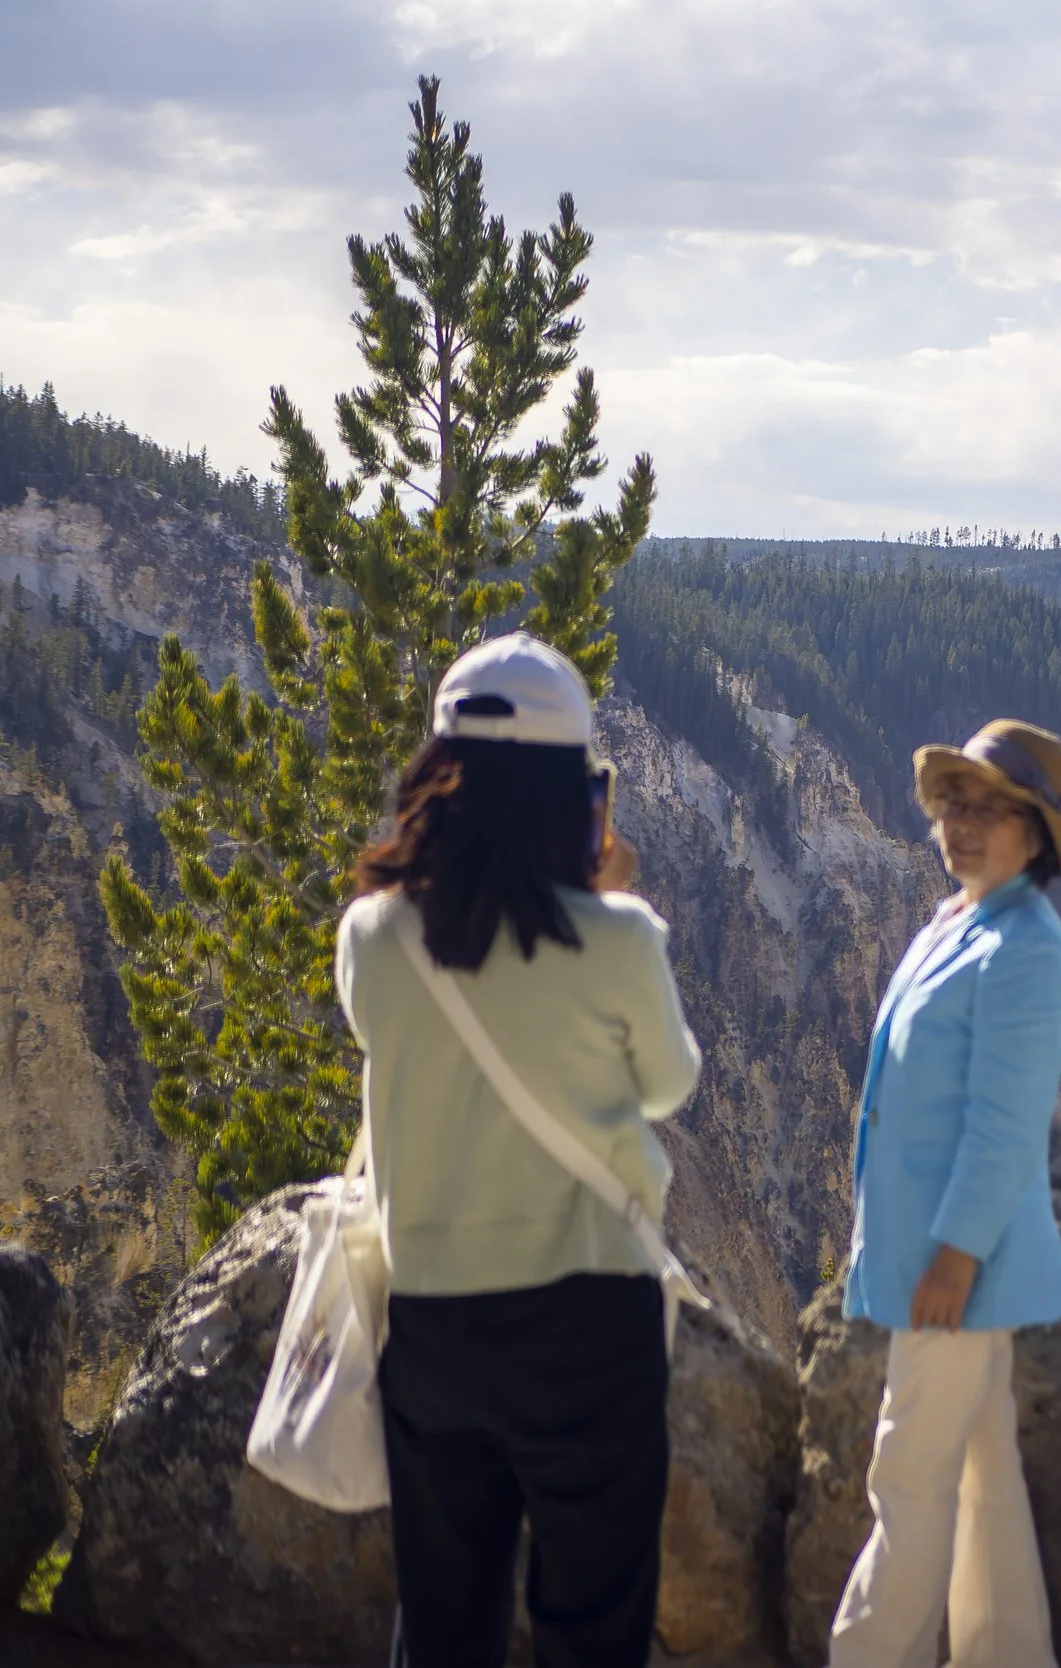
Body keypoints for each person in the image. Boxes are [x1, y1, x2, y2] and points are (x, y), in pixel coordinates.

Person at [338, 633, 702, 1668]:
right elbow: (669, 1083)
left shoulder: (371, 935)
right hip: (590, 1320)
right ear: (572, 796)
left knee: (446, 1623)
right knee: (593, 1626)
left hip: (435, 1321)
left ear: (436, 781)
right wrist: (607, 894)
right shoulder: (620, 938)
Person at [828, 718, 1061, 1668]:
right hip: (937, 1252)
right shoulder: (961, 922)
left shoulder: (1027, 948)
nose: (965, 825)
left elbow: (1006, 1125)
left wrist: (955, 1253)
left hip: (958, 1263)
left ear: (1037, 834)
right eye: (956, 804)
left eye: (993, 809)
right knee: (983, 1477)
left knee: (908, 1473)